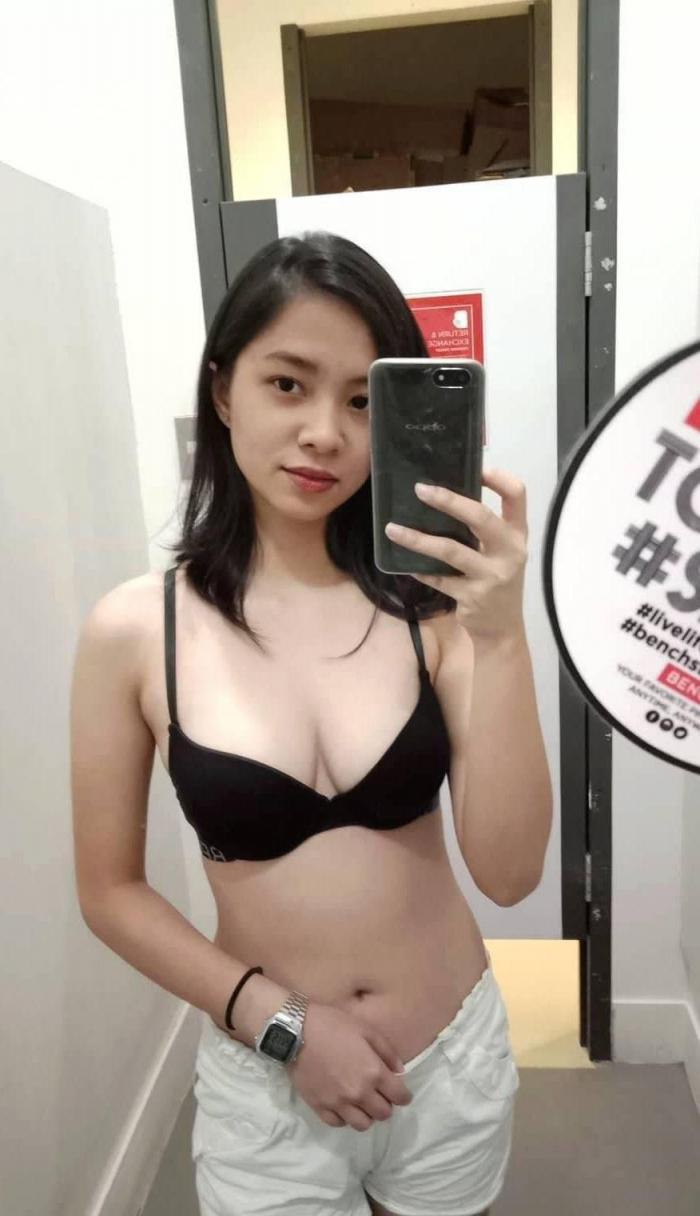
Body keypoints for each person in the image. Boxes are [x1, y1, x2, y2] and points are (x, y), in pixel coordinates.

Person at [71, 230, 552, 1216]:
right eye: (287, 384)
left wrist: (503, 639)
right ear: (223, 392)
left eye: (364, 400)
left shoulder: (436, 614)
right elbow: (110, 891)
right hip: (266, 1083)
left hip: (449, 1063)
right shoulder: (137, 630)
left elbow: (509, 875)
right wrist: (284, 1025)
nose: (326, 432)